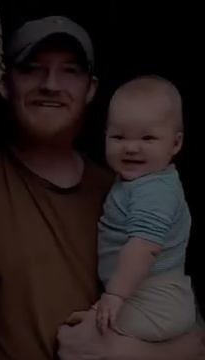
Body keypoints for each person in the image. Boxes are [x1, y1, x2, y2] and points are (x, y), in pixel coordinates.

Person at [0, 15, 205, 360]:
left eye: (70, 70)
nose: (51, 84)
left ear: (91, 89)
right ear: (3, 83)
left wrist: (121, 352)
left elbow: (193, 340)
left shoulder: (128, 191)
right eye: (32, 68)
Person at [94, 75, 195, 341]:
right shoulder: (137, 181)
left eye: (148, 138)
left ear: (175, 143)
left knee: (88, 338)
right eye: (118, 137)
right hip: (143, 295)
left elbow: (144, 247)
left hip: (155, 299)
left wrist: (114, 295)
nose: (131, 148)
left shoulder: (155, 190)